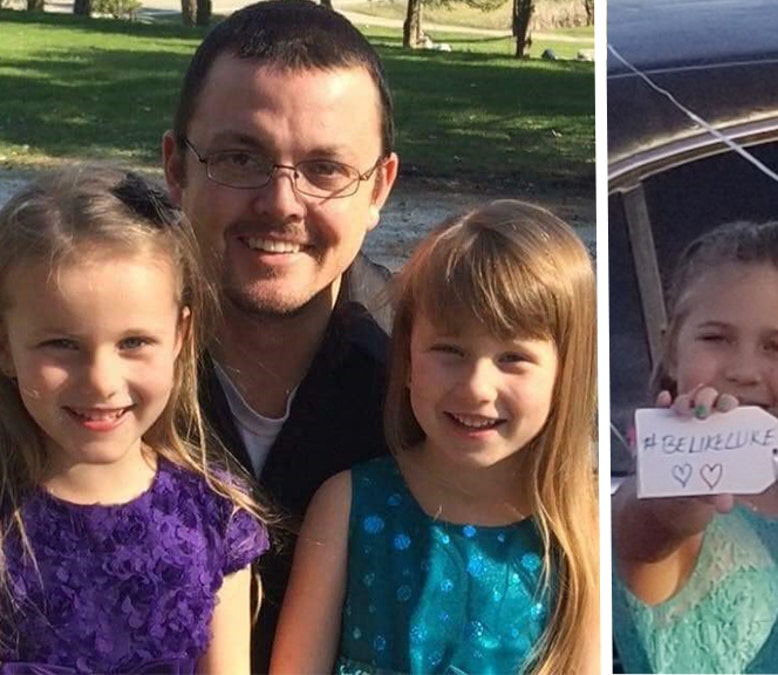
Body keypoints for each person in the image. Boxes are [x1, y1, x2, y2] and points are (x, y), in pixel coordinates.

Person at [160, 0, 400, 666]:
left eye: (326, 169)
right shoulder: (79, 368)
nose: (282, 203)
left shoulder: (433, 386)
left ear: (378, 188)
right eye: (241, 158)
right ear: (175, 167)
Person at [270, 201, 600, 674]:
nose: (476, 388)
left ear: (565, 374)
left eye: (513, 358)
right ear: (406, 360)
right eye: (450, 351)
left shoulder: (580, 528)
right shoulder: (348, 506)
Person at [0, 167, 269, 672]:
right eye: (62, 344)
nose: (101, 380)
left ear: (180, 337)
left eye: (134, 342)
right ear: (5, 345)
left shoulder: (218, 519)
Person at [611, 220, 778, 673]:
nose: (744, 370)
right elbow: (654, 522)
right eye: (716, 339)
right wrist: (687, 475)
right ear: (672, 351)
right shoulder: (667, 494)